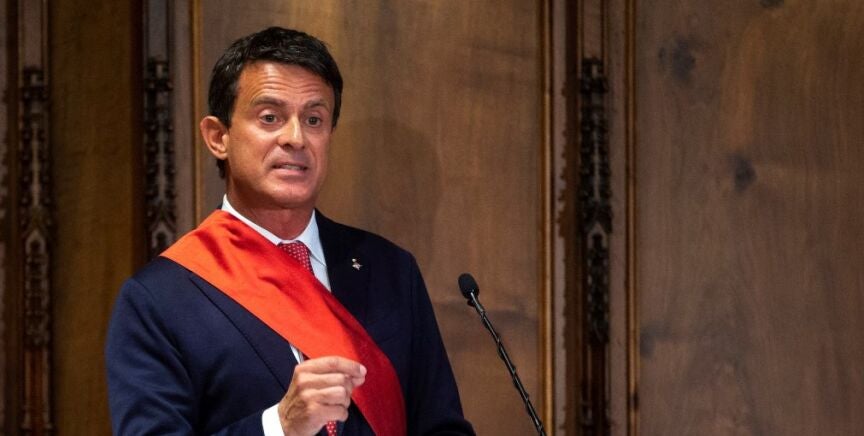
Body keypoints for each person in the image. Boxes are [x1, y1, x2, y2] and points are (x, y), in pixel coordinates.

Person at [105, 27, 474, 436]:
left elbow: (443, 428)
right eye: (270, 118)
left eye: (314, 120)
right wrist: (279, 426)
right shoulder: (158, 299)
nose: (295, 138)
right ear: (218, 137)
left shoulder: (390, 269)